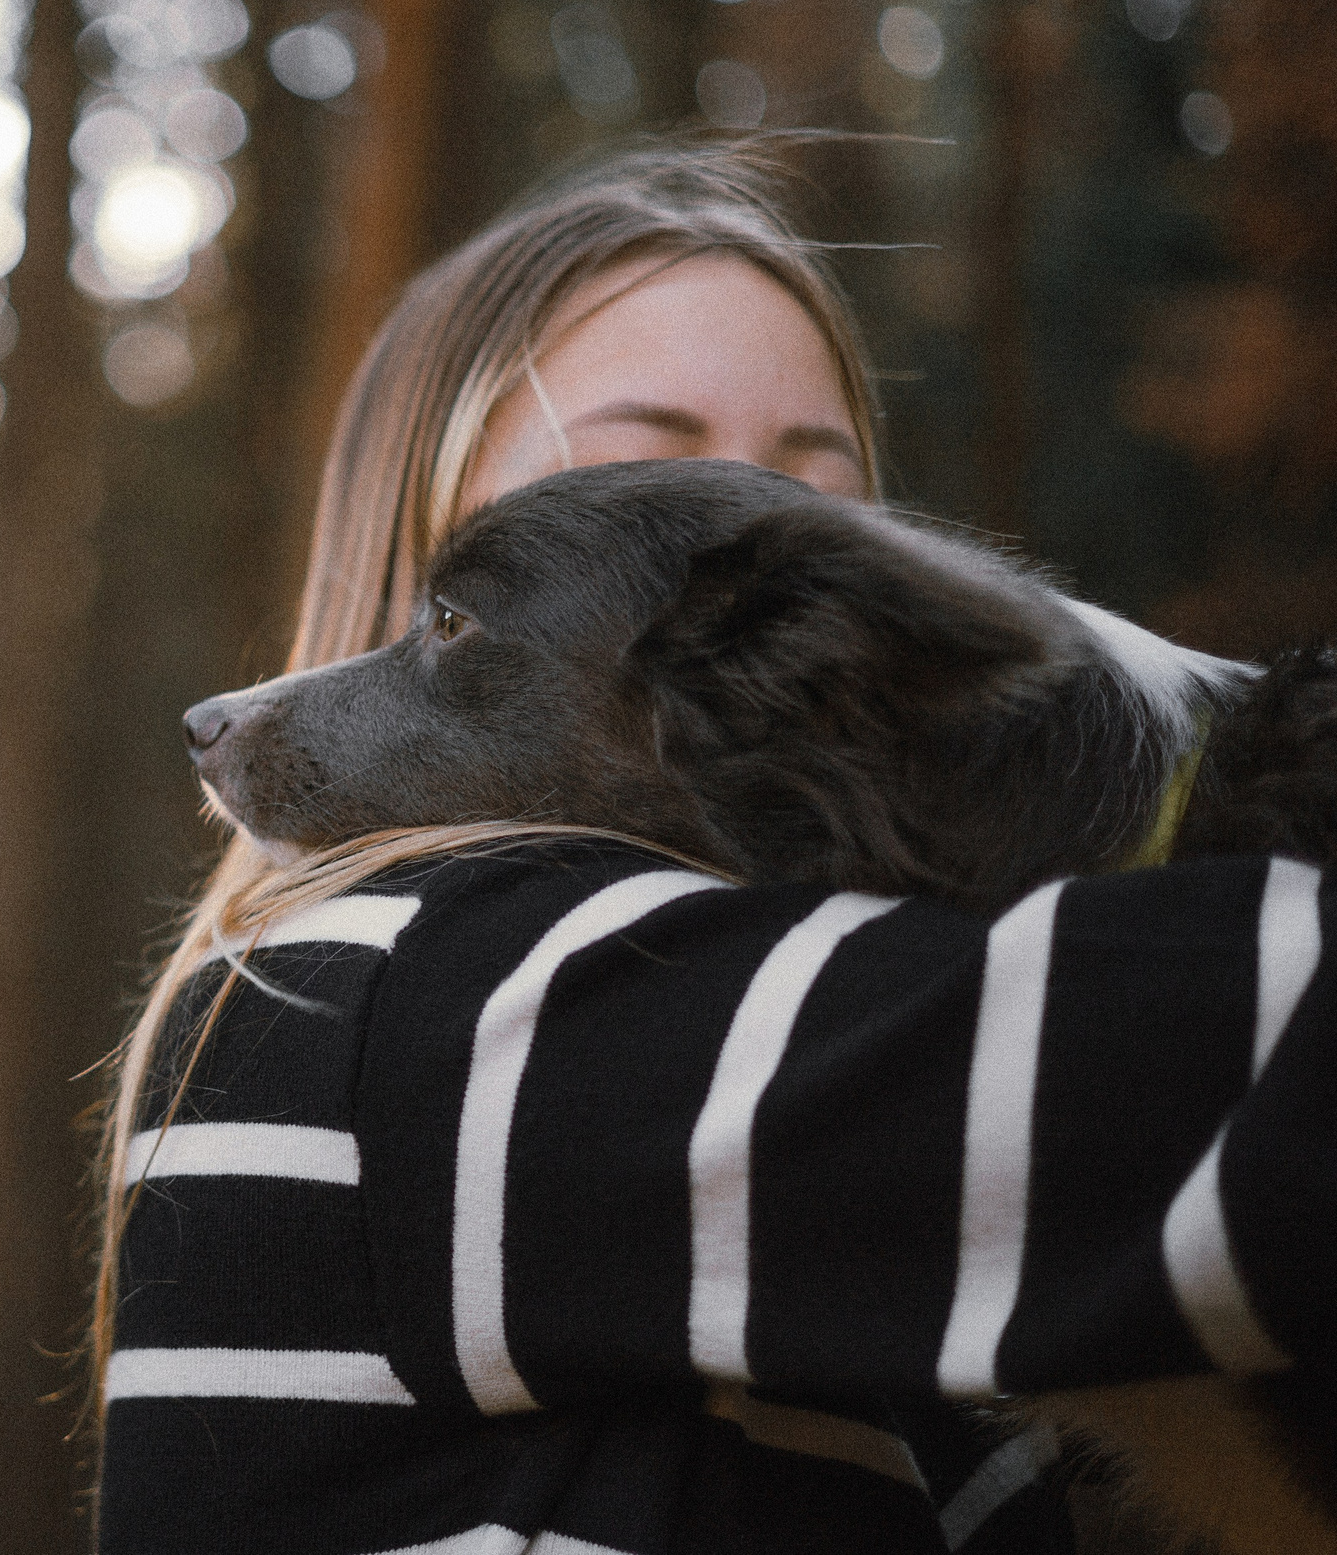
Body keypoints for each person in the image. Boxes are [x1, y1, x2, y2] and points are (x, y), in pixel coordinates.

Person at [88, 138, 1334, 1555]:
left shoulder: (819, 1112)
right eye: (638, 468)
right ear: (421, 551)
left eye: (821, 487)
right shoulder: (409, 984)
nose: (745, 547)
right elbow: (1224, 1068)